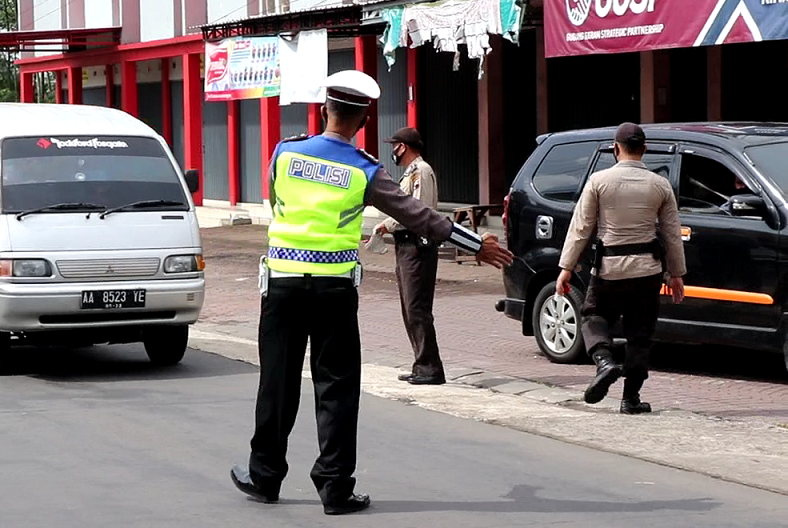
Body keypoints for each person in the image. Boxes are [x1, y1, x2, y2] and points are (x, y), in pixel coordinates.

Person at [230, 70, 513, 515]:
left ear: (325, 109)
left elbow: (274, 202)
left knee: (277, 384)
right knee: (337, 390)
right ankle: (335, 488)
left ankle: (264, 478)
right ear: (363, 121)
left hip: (282, 287)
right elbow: (418, 215)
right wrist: (477, 244)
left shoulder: (285, 152)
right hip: (334, 293)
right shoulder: (363, 168)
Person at [556, 122, 687, 415]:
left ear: (616, 149)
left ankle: (604, 362)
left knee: (593, 316)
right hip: (647, 270)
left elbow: (580, 228)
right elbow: (671, 233)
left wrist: (566, 267)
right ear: (644, 150)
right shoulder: (660, 184)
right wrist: (676, 273)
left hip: (609, 269)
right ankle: (630, 399)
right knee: (640, 335)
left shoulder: (598, 181)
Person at [372, 127, 445, 385]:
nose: (392, 150)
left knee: (417, 308)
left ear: (403, 146)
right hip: (405, 246)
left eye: (395, 145)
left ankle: (430, 368)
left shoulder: (421, 171)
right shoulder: (410, 173)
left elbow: (417, 210)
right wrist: (388, 225)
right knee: (409, 309)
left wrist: (389, 224)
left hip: (417, 247)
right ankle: (421, 364)